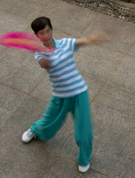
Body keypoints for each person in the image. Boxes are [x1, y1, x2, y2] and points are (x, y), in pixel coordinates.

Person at [21, 16, 106, 174]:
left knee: (84, 132)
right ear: (36, 35)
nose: (46, 35)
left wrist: (98, 37)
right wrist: (44, 52)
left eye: (48, 30)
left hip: (79, 93)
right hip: (60, 95)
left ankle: (84, 158)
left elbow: (85, 41)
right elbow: (47, 65)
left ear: (52, 29)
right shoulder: (40, 53)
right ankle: (35, 130)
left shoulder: (66, 43)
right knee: (48, 125)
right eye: (42, 33)